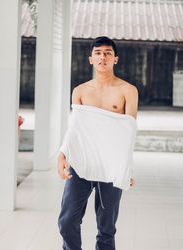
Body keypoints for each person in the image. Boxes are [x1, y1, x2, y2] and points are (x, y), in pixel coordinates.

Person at [57, 36, 138, 250]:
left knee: (106, 229)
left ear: (115, 59)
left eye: (107, 53)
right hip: (82, 162)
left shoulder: (127, 91)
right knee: (66, 222)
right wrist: (62, 154)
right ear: (90, 59)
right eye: (98, 53)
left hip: (111, 166)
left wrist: (126, 168)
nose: (103, 57)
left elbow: (128, 132)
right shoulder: (80, 91)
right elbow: (75, 129)